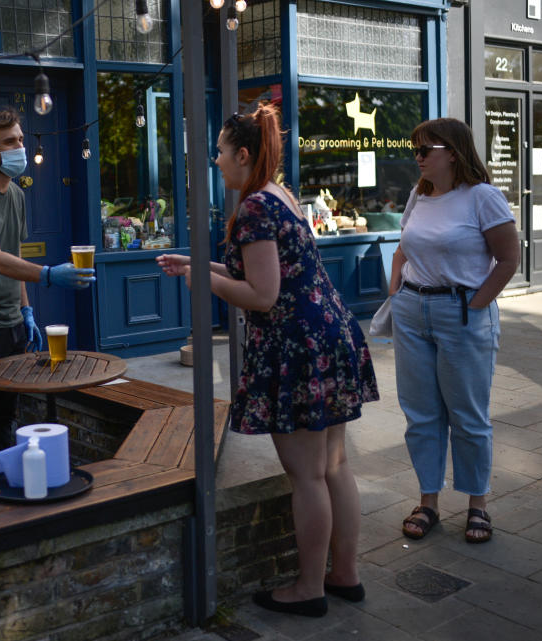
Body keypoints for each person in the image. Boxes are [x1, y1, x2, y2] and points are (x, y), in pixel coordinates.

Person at [157, 105, 378, 617]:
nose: (214, 161)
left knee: (308, 475)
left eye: (218, 151)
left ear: (242, 154)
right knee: (334, 465)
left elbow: (261, 294)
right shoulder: (280, 195)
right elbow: (263, 270)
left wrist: (203, 280)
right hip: (330, 335)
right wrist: (196, 263)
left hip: (298, 348)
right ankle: (345, 574)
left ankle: (308, 588)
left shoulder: (254, 207)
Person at [0, 109, 95, 494]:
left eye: (20, 139)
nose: (20, 148)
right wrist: (48, 275)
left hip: (10, 321)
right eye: (9, 142)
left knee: (4, 416)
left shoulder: (16, 195)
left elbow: (14, 256)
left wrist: (26, 310)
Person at [391, 118, 518, 544]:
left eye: (426, 149)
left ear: (454, 151)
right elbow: (402, 249)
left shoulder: (483, 197)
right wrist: (396, 296)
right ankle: (429, 501)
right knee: (421, 414)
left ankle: (477, 504)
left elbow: (508, 260)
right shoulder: (418, 195)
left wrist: (475, 305)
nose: (419, 157)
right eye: (416, 150)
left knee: (468, 415)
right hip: (413, 311)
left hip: (461, 312)